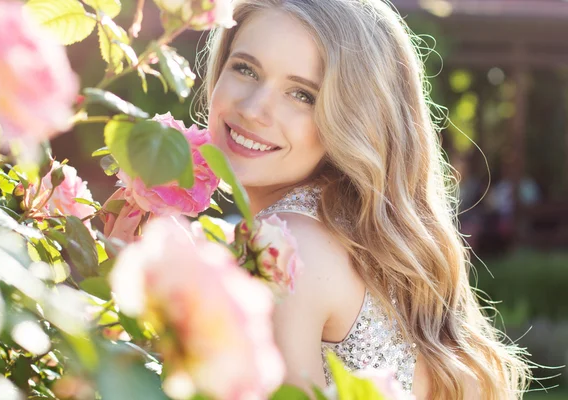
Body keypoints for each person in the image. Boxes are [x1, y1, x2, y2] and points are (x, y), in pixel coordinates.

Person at [197, 0, 531, 398]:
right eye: (245, 69)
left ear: (353, 120)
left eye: (302, 95)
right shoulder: (362, 243)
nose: (253, 109)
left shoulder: (283, 247)